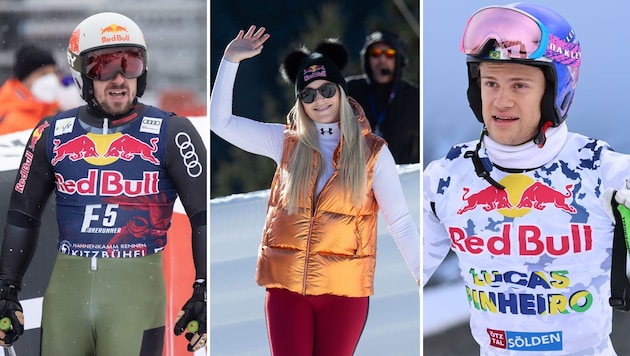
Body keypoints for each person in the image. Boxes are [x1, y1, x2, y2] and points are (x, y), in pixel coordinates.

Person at [423, 2, 630, 355]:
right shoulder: (445, 179)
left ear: (555, 91)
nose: (500, 101)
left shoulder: (606, 174)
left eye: (519, 85)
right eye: (490, 83)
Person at [0, 12, 207, 354]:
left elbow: (202, 216)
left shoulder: (171, 132)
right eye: (103, 67)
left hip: (135, 297)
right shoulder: (51, 133)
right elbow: (22, 215)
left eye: (131, 64)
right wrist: (7, 287)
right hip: (67, 297)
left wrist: (203, 289)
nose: (119, 79)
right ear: (81, 74)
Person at [210, 26, 420, 355]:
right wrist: (230, 60)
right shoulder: (285, 142)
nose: (318, 100)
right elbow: (220, 123)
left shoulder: (373, 153)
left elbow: (402, 220)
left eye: (325, 90)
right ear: (300, 102)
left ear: (340, 90)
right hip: (286, 291)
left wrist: (424, 277)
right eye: (307, 94)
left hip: (344, 294)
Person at [346, 30, 419, 164]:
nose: (382, 59)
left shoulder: (414, 97)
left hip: (401, 178)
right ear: (367, 58)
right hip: (354, 177)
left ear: (399, 60)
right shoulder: (348, 90)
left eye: (389, 54)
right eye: (376, 53)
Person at [0, 44, 82, 135]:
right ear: (25, 79)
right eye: (43, 74)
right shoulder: (8, 119)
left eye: (55, 72)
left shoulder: (57, 109)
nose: (52, 79)